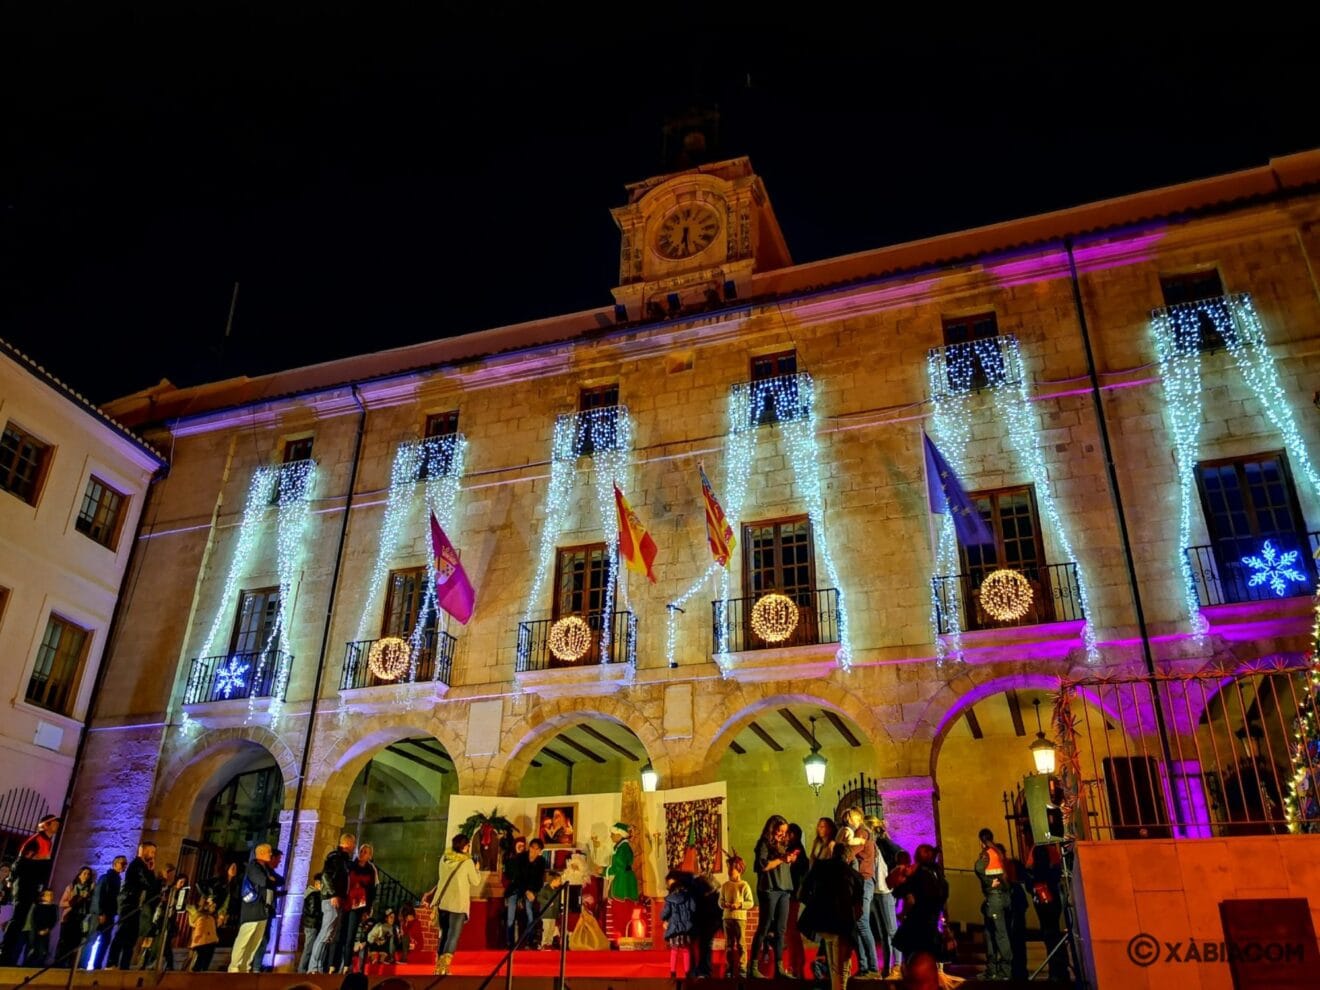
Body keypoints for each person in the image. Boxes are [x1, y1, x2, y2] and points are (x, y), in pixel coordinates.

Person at [0, 814, 60, 965]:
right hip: (24, 884)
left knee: (23, 920)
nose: (57, 825)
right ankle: (4, 953)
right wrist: (11, 879)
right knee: (18, 919)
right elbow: (20, 862)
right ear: (45, 825)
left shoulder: (47, 842)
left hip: (32, 885)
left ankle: (11, 955)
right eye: (54, 823)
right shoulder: (35, 840)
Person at [800, 843, 862, 990]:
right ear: (848, 857)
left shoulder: (820, 866)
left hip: (822, 922)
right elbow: (859, 910)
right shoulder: (855, 875)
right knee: (841, 967)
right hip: (843, 924)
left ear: (833, 853)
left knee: (833, 963)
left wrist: (816, 905)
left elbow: (803, 892)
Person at [749, 814, 796, 978]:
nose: (782, 834)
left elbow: (781, 862)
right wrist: (781, 859)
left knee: (781, 929)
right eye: (779, 831)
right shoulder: (763, 843)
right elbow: (763, 866)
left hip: (784, 888)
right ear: (772, 829)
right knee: (764, 926)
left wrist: (789, 859)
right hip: (769, 888)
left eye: (784, 832)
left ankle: (779, 968)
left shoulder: (783, 844)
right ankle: (753, 967)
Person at [427, 833, 482, 975]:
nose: (469, 848)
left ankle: (438, 967)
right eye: (468, 845)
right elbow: (475, 881)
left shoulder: (444, 858)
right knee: (453, 936)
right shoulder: (467, 862)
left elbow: (441, 878)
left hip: (443, 903)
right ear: (464, 846)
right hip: (458, 905)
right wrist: (477, 869)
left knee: (444, 934)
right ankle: (444, 968)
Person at [840, 806, 880, 978]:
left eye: (848, 818)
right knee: (858, 923)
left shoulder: (862, 832)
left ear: (855, 818)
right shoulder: (862, 833)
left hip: (864, 881)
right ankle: (864, 967)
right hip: (860, 881)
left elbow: (849, 853)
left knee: (862, 922)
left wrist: (839, 847)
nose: (846, 821)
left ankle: (872, 967)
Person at [309, 833, 356, 974]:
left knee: (329, 935)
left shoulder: (342, 859)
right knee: (325, 933)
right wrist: (333, 893)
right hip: (331, 900)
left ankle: (318, 966)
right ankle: (314, 967)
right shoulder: (336, 857)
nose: (354, 847)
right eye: (353, 844)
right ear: (348, 843)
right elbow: (326, 875)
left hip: (337, 899)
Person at [891, 845, 945, 962]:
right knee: (928, 957)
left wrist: (903, 914)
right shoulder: (938, 873)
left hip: (918, 922)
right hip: (932, 922)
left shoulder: (917, 874)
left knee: (913, 957)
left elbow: (909, 899)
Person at [109, 841, 158, 970]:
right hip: (129, 904)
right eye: (152, 852)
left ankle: (124, 964)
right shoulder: (138, 865)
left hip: (135, 904)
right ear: (144, 851)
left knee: (131, 937)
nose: (153, 855)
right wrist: (151, 871)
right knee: (123, 933)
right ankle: (112, 962)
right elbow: (149, 884)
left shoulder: (142, 866)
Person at [227, 843, 276, 973]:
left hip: (262, 911)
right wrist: (270, 879)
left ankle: (245, 967)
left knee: (255, 942)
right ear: (260, 853)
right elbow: (264, 881)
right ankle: (234, 967)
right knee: (244, 939)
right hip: (253, 909)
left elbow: (274, 880)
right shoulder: (254, 867)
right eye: (268, 852)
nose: (271, 854)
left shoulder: (264, 868)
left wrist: (271, 879)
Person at [974, 828, 1011, 982]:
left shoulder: (987, 854)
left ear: (981, 840)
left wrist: (989, 883)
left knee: (999, 935)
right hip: (1001, 897)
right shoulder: (999, 853)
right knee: (991, 934)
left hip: (994, 898)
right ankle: (993, 971)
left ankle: (1004, 971)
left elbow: (978, 868)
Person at [334, 843, 377, 973]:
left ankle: (346, 964)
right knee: (340, 933)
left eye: (365, 852)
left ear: (370, 856)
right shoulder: (351, 866)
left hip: (358, 905)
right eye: (361, 850)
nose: (362, 853)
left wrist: (367, 909)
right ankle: (334, 964)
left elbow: (371, 891)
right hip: (347, 901)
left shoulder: (370, 870)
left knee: (351, 934)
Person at [869, 817, 903, 980]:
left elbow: (899, 852)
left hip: (885, 890)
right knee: (883, 932)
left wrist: (885, 835)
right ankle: (886, 969)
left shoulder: (883, 844)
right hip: (874, 891)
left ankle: (898, 966)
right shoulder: (868, 845)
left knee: (891, 930)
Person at [1028, 844, 1068, 982]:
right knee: (1054, 936)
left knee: (1050, 938)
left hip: (1044, 907)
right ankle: (1060, 971)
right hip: (1052, 905)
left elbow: (1030, 884)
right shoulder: (1051, 871)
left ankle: (1056, 972)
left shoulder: (1036, 873)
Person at [249, 848, 285, 971]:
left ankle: (257, 966)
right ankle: (253, 966)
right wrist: (270, 881)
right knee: (257, 938)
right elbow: (265, 883)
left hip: (268, 909)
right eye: (277, 860)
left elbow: (280, 880)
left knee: (265, 938)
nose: (278, 863)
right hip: (257, 909)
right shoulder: (258, 870)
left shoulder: (269, 872)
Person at [720, 855, 754, 977]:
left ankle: (742, 968)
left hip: (740, 918)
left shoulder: (744, 885)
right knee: (728, 944)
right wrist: (725, 904)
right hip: (727, 918)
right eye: (729, 867)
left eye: (732, 868)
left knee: (740, 943)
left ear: (739, 869)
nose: (729, 870)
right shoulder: (725, 885)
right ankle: (729, 968)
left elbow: (750, 902)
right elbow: (720, 902)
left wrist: (739, 905)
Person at [89, 856, 126, 969]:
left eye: (125, 864)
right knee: (92, 939)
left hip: (109, 913)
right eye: (122, 863)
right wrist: (101, 912)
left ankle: (97, 965)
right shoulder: (107, 877)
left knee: (105, 940)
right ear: (115, 864)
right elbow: (100, 895)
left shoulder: (117, 879)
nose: (124, 866)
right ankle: (83, 964)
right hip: (102, 913)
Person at [55, 865, 96, 967]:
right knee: (64, 942)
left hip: (82, 917)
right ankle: (59, 963)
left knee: (76, 942)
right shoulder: (71, 887)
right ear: (79, 875)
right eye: (84, 874)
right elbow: (61, 903)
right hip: (69, 917)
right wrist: (74, 901)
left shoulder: (91, 889)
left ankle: (72, 964)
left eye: (88, 874)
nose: (86, 876)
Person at [661, 869, 696, 979]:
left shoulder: (670, 899)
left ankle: (672, 972)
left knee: (674, 950)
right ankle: (687, 972)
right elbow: (693, 908)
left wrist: (664, 919)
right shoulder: (688, 895)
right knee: (686, 950)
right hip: (685, 929)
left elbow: (665, 913)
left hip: (674, 929)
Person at [691, 870, 722, 977]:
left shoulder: (710, 890)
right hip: (704, 918)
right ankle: (701, 969)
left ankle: (703, 970)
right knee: (702, 945)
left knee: (704, 944)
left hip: (709, 918)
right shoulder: (699, 884)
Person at [502, 836, 531, 948]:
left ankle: (525, 941)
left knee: (526, 916)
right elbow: (506, 877)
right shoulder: (510, 860)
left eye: (523, 846)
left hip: (524, 891)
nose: (521, 848)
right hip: (513, 891)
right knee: (511, 917)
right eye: (519, 846)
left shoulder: (527, 861)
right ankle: (510, 942)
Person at [23, 888, 59, 966]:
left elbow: (54, 919)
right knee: (34, 949)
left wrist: (48, 929)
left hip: (46, 931)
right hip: (36, 931)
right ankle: (28, 965)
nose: (49, 897)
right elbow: (34, 919)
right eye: (47, 895)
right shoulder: (37, 906)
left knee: (42, 951)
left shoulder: (53, 907)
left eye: (50, 895)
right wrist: (37, 929)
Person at [297, 876, 324, 972]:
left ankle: (304, 968)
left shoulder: (313, 894)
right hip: (312, 925)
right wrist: (322, 913)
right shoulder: (314, 895)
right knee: (308, 948)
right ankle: (302, 969)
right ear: (317, 884)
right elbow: (312, 911)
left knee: (309, 947)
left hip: (311, 924)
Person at [185, 895, 219, 972]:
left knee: (203, 959)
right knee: (202, 959)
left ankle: (200, 971)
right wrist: (196, 939)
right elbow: (200, 930)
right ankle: (198, 971)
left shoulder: (208, 918)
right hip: (205, 941)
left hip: (207, 941)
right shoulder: (204, 918)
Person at [533, 871, 564, 949]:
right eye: (559, 881)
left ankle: (549, 944)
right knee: (546, 930)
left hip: (553, 914)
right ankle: (544, 944)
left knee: (551, 930)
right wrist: (548, 902)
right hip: (546, 914)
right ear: (553, 881)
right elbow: (539, 898)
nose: (560, 882)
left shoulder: (556, 890)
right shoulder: (545, 889)